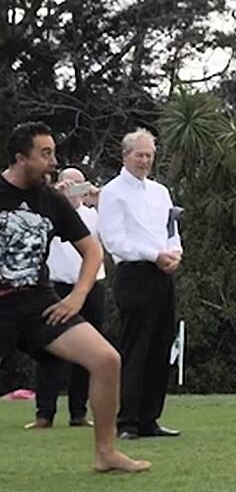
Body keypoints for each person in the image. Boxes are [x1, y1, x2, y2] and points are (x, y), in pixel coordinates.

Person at [0, 121, 150, 472]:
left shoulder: (51, 201)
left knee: (107, 360)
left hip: (40, 305)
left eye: (53, 152)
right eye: (45, 154)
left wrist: (78, 295)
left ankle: (106, 453)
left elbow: (92, 251)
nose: (53, 162)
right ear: (21, 158)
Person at [98, 128, 182, 439]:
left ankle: (150, 419)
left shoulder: (160, 191)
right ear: (126, 155)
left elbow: (171, 228)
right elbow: (114, 240)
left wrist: (175, 252)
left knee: (161, 346)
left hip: (162, 274)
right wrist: (153, 254)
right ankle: (128, 421)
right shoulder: (112, 192)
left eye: (149, 155)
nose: (145, 161)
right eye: (139, 155)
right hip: (135, 274)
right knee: (137, 346)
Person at [25, 168, 105, 429]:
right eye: (68, 185)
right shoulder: (51, 212)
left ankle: (78, 413)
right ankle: (44, 413)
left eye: (77, 186)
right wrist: (54, 195)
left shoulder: (94, 215)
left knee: (89, 352)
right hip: (55, 287)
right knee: (49, 352)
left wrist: (96, 194)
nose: (72, 190)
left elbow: (117, 220)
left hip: (90, 287)